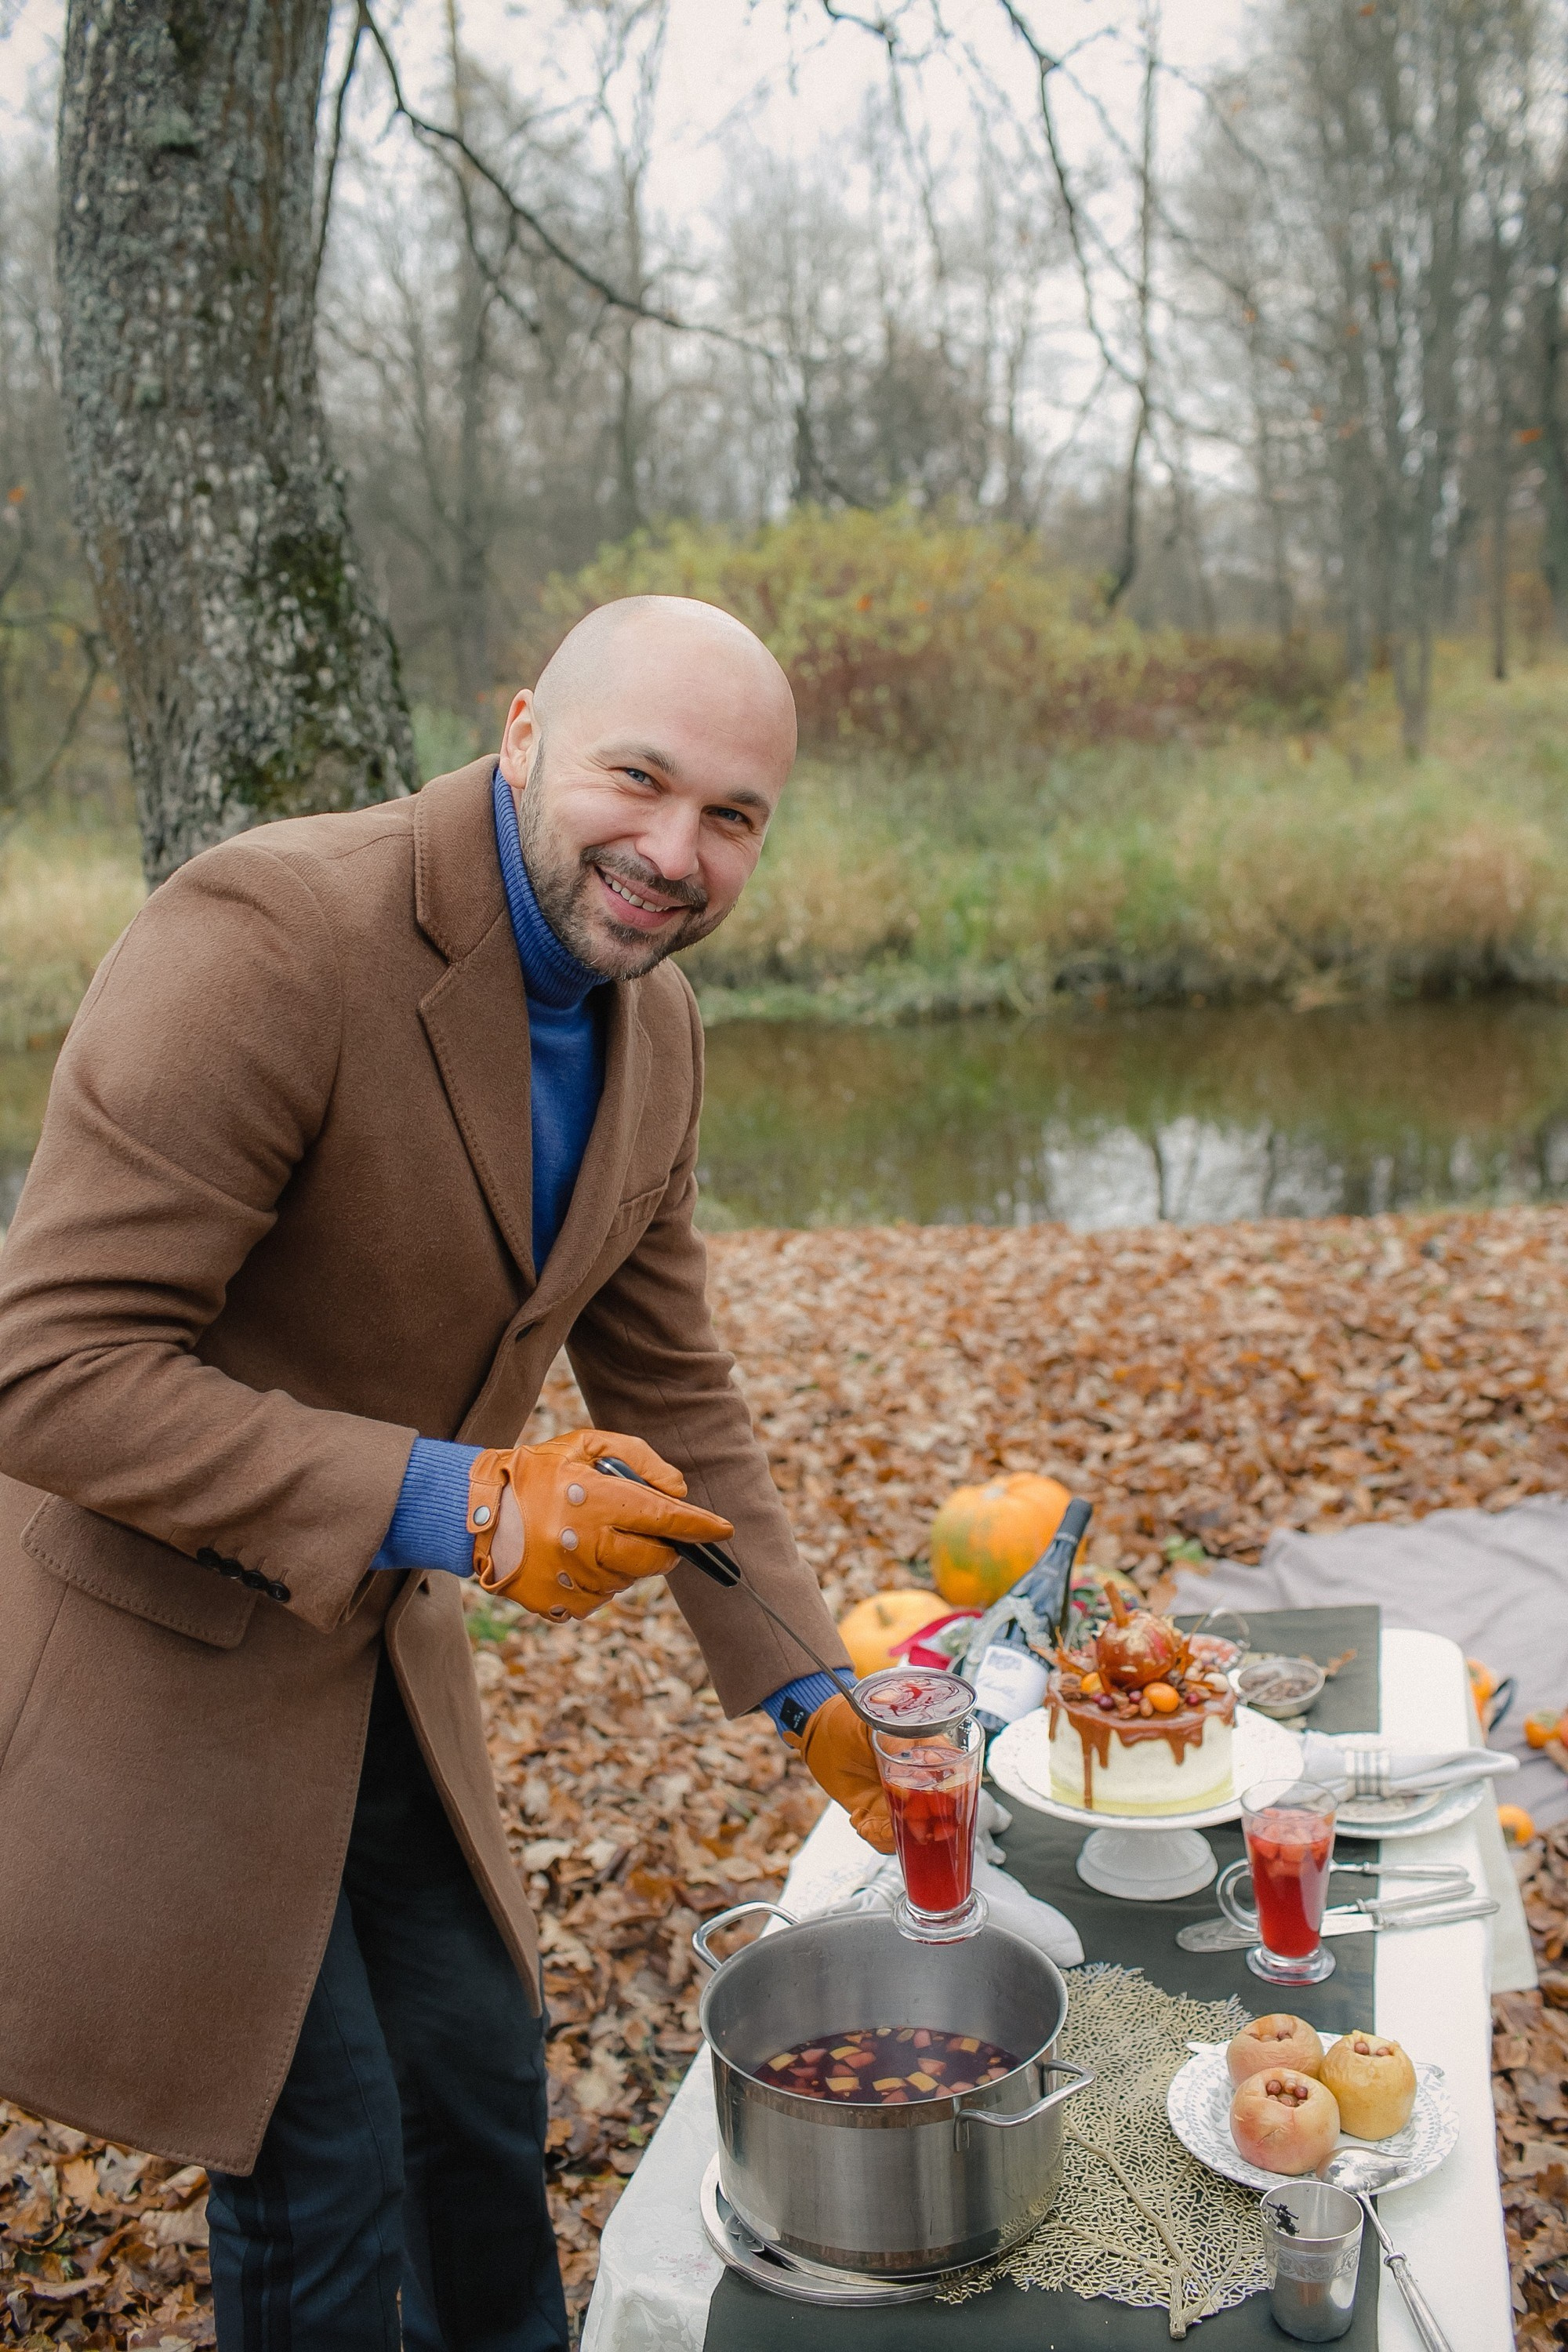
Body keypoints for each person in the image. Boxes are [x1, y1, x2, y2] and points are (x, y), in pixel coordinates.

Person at [0, 596, 893, 2351]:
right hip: (156, 1655)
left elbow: (674, 1390)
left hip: (377, 1665)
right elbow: (49, 1367)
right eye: (639, 780)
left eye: (732, 816)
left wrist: (815, 1691)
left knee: (479, 2086)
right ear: (523, 735)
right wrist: (466, 1502)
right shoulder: (268, 935)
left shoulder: (657, 1028)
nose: (675, 853)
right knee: (325, 2160)